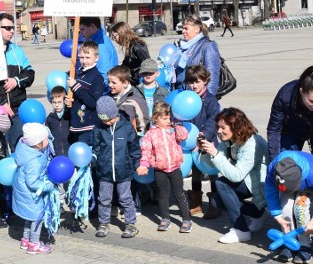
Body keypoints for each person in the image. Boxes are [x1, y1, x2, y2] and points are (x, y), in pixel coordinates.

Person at [266, 65, 313, 259]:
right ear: (301, 92)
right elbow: (273, 129)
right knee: (285, 181)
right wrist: (276, 162)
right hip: (291, 132)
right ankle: (289, 237)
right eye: (312, 101)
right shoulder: (285, 94)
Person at [198, 108, 269, 244]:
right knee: (216, 201)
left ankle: (240, 230)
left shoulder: (253, 144)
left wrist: (216, 154)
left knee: (221, 183)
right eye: (218, 127)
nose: (218, 131)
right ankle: (258, 213)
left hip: (259, 184)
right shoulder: (229, 140)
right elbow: (213, 166)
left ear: (236, 127)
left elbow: (236, 176)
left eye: (223, 127)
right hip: (246, 180)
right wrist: (206, 151)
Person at [264, 150, 313, 264]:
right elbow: (270, 191)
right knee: (285, 209)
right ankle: (289, 241)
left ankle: (304, 245)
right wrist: (278, 216)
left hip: (306, 184)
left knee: (300, 208)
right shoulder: (274, 170)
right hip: (286, 184)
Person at [138, 102, 192, 233]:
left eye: (169, 117)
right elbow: (145, 150)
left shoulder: (173, 130)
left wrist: (176, 124)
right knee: (162, 195)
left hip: (174, 168)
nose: (168, 121)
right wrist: (144, 164)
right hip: (160, 170)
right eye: (164, 118)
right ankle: (165, 218)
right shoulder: (150, 134)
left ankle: (186, 219)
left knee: (179, 194)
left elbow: (184, 136)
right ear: (155, 117)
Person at [93, 96, 141, 238]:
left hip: (124, 170)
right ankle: (103, 223)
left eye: (109, 119)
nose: (107, 122)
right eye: (103, 120)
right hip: (105, 171)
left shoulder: (126, 128)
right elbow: (96, 148)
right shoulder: (99, 128)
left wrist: (137, 164)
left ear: (115, 114)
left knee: (125, 198)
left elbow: (134, 149)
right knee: (104, 199)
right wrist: (93, 160)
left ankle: (130, 224)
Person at [183, 65, 222, 218]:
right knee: (196, 172)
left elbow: (214, 119)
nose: (194, 86)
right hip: (192, 142)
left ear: (206, 81)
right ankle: (196, 203)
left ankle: (215, 205)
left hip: (208, 142)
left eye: (198, 82)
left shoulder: (211, 100)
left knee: (212, 172)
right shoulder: (188, 98)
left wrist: (204, 134)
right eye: (191, 82)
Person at [13, 123, 54, 255]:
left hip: (23, 193)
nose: (49, 141)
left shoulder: (24, 150)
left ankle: (25, 240)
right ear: (37, 144)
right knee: (37, 218)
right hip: (31, 195)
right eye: (46, 139)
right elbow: (32, 182)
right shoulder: (35, 161)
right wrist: (48, 186)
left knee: (28, 217)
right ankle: (34, 244)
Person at [0, 13, 35, 113]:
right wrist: (2, 103)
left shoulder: (17, 50)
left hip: (18, 109)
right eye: (8, 28)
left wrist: (16, 80)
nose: (12, 31)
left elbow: (30, 74)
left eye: (13, 28)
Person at [66, 41, 106, 146]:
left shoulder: (96, 77)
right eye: (81, 57)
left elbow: (93, 102)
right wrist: (69, 100)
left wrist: (76, 87)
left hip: (88, 127)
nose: (84, 61)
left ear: (96, 58)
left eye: (88, 57)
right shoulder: (79, 74)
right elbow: (78, 97)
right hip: (75, 125)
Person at [174, 14, 221, 97]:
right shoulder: (180, 47)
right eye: (183, 28)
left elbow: (212, 77)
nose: (183, 31)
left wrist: (207, 100)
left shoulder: (207, 46)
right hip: (180, 95)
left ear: (197, 29)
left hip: (198, 98)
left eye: (186, 28)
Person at [107, 65, 148, 133]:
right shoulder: (108, 98)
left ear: (125, 83)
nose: (110, 85)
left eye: (113, 83)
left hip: (129, 138)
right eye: (109, 82)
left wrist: (139, 138)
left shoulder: (136, 99)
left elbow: (144, 124)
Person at [79, 17, 120, 81]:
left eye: (82, 29)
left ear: (92, 26)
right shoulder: (99, 39)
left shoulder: (100, 44)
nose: (81, 33)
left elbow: (105, 72)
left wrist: (97, 89)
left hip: (101, 88)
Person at [111, 21, 150, 86]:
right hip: (133, 82)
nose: (114, 39)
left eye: (114, 36)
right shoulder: (129, 46)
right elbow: (125, 65)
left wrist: (134, 79)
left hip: (139, 84)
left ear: (122, 33)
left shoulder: (137, 46)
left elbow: (148, 65)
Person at [46, 86, 71, 157]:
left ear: (64, 101)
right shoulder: (50, 118)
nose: (56, 105)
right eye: (54, 102)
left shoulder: (69, 115)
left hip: (70, 153)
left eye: (59, 102)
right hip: (56, 154)